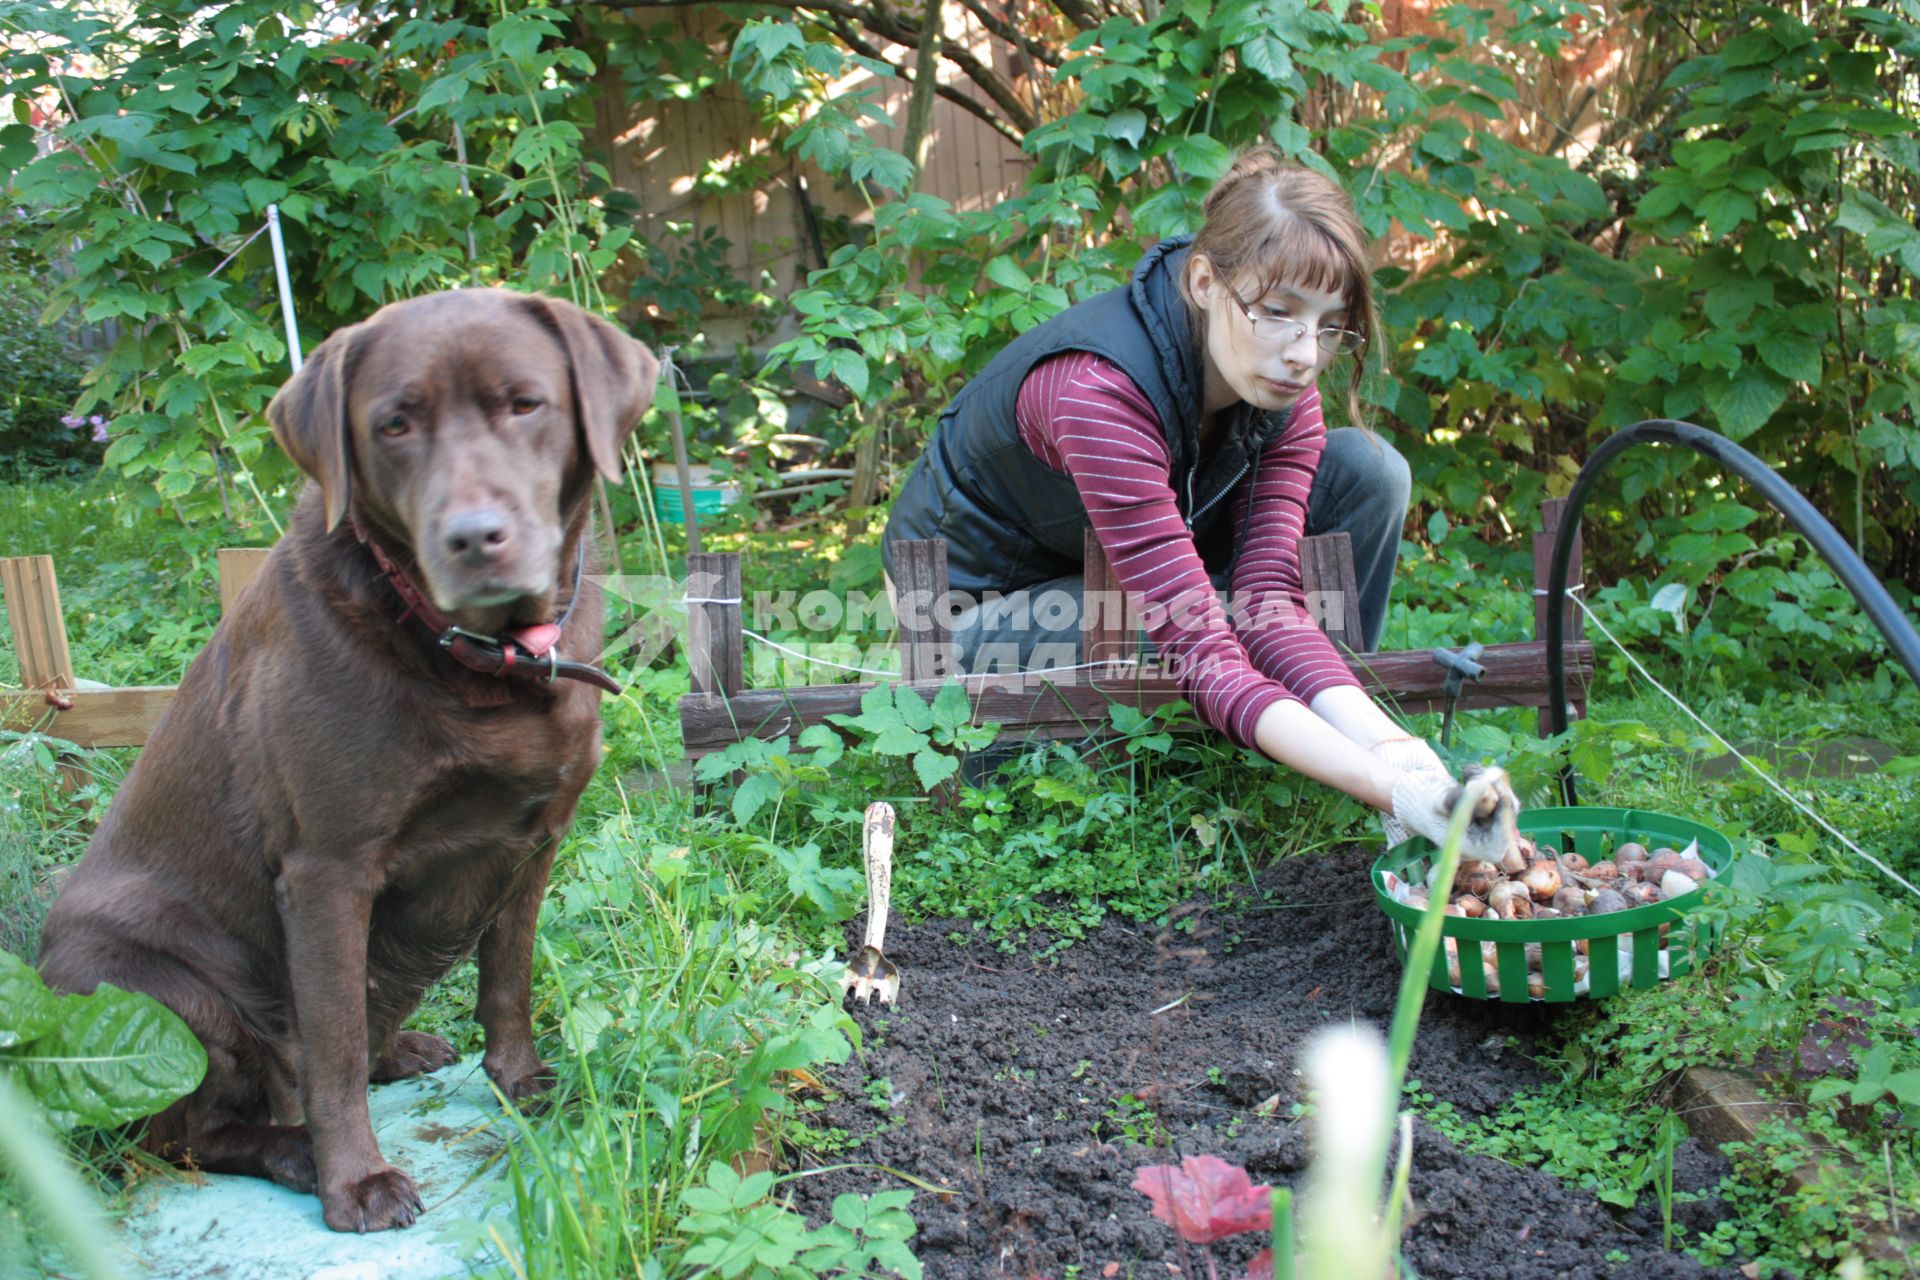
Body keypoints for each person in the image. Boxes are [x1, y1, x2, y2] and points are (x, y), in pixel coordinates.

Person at [883, 145, 1516, 855]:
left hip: (1112, 573)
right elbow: (1198, 636)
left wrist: (1404, 759)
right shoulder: (1097, 392)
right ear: (1206, 282)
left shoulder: (1279, 383)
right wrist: (1389, 790)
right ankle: (1246, 750)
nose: (1306, 353)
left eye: (1329, 324)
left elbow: (1271, 604)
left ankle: (1311, 739)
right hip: (974, 620)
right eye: (1279, 312)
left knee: (1369, 469)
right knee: (1190, 617)